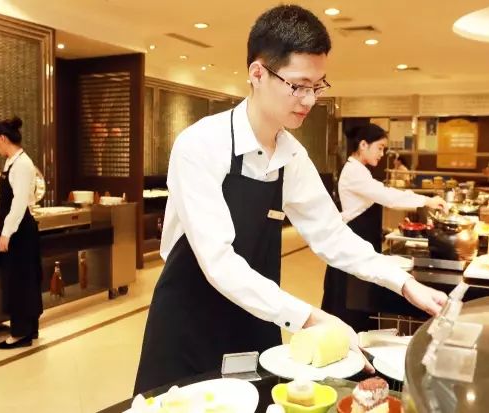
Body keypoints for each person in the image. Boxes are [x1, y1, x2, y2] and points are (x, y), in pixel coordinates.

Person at [133, 5, 447, 395]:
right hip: (188, 318)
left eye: (318, 86)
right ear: (257, 73)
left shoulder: (292, 156)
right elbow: (218, 263)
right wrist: (310, 318)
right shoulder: (200, 145)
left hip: (258, 312)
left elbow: (331, 234)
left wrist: (402, 283)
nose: (310, 99)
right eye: (298, 85)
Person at [321, 124, 446, 329]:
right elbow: (388, 196)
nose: (382, 153)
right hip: (353, 240)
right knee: (348, 302)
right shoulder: (354, 171)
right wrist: (426, 200)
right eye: (379, 147)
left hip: (359, 239)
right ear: (363, 145)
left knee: (356, 298)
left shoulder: (360, 170)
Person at [0, 116, 43, 349]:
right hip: (17, 230)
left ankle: (20, 333)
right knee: (23, 279)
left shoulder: (23, 165)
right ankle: (28, 329)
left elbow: (18, 204)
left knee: (20, 281)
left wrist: (5, 234)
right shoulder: (11, 163)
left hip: (20, 232)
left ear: (3, 139)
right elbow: (1, 197)